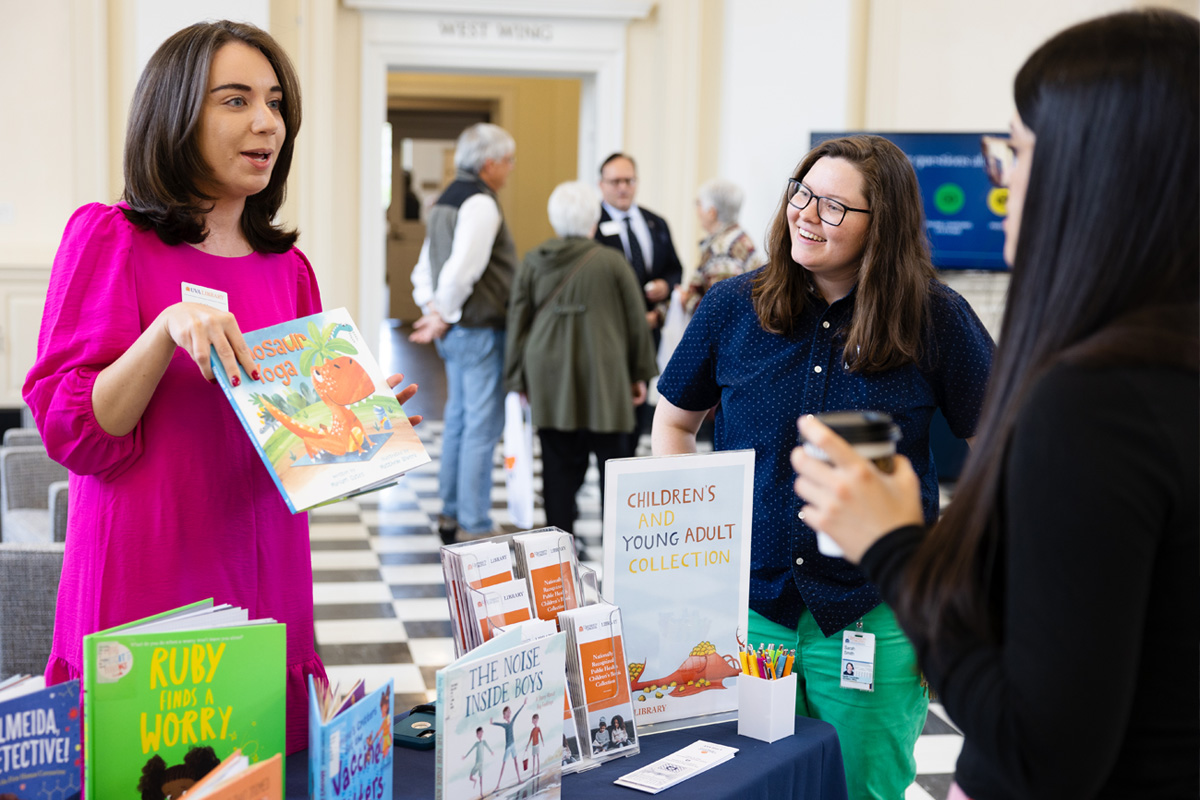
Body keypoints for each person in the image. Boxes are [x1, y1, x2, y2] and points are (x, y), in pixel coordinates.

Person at [791, 10, 1198, 800]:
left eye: (1014, 148)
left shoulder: (1094, 408)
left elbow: (1039, 750)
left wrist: (892, 544)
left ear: (1094, 165)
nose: (999, 175)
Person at [22, 20, 420, 755]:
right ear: (175, 114)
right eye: (235, 100)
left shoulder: (287, 269)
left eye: (274, 103)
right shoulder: (109, 238)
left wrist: (361, 434)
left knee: (263, 768)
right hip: (143, 575)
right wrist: (164, 328)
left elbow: (299, 453)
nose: (265, 122)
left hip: (265, 570)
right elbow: (72, 434)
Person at [652, 134, 995, 798]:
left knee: (862, 788)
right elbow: (673, 420)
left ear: (883, 223)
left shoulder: (936, 319)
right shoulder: (734, 307)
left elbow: (1002, 454)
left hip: (876, 613)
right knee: (750, 786)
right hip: (750, 612)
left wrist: (947, 586)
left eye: (834, 206)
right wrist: (691, 546)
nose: (807, 214)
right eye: (802, 194)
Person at [505, 182, 657, 546]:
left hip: (548, 378)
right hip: (606, 381)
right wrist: (639, 375)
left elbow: (518, 321)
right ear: (593, 220)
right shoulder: (612, 262)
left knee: (557, 469)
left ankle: (559, 549)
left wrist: (516, 378)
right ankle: (619, 548)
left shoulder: (533, 260)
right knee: (614, 469)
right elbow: (636, 322)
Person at [410, 123, 517, 543]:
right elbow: (462, 269)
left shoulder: (444, 200)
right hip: (477, 328)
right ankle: (474, 524)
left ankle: (451, 514)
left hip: (455, 329)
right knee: (481, 426)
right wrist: (445, 313)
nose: (509, 171)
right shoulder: (481, 203)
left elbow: (426, 267)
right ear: (490, 163)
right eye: (508, 162)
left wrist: (432, 309)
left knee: (457, 420)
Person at [594, 153, 683, 455]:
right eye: (615, 181)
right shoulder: (592, 225)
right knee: (610, 413)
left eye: (629, 181)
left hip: (649, 331)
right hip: (610, 335)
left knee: (638, 404)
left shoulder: (654, 222)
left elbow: (675, 268)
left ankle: (626, 468)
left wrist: (665, 286)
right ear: (601, 184)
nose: (623, 188)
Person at [683, 178, 765, 315]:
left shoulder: (722, 251)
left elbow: (720, 314)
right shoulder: (738, 237)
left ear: (711, 212)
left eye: (698, 204)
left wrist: (686, 300)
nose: (696, 210)